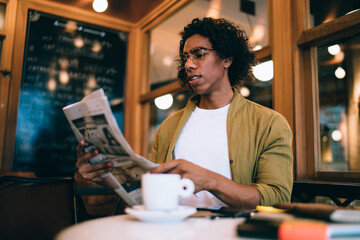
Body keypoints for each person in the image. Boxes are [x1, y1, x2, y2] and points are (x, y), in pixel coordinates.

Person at [76, 17, 293, 210]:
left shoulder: (269, 123)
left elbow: (277, 198)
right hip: (169, 230)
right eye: (186, 57)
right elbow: (146, 197)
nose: (189, 64)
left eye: (199, 54)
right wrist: (109, 177)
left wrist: (209, 180)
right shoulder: (169, 127)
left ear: (227, 59)